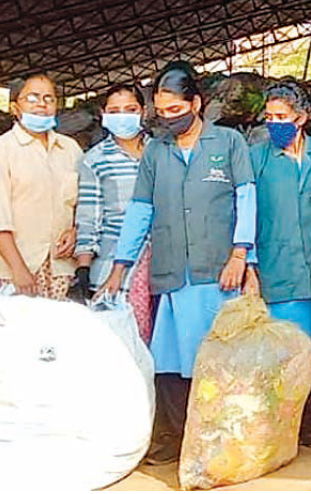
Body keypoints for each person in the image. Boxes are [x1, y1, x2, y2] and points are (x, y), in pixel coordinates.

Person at [101, 61, 257, 465]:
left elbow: (246, 199)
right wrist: (121, 265)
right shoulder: (157, 151)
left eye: (176, 110)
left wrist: (241, 254)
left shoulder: (228, 143)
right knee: (169, 362)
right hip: (173, 270)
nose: (169, 119)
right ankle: (181, 437)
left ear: (197, 102)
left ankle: (219, 441)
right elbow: (140, 209)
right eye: (162, 112)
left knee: (216, 362)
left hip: (217, 271)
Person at [245, 78, 311, 450]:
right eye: (269, 117)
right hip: (275, 264)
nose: (274, 123)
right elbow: (244, 212)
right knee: (275, 352)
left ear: (302, 117)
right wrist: (249, 264)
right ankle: (273, 427)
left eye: (282, 116)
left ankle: (305, 425)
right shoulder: (257, 157)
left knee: (310, 350)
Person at [74, 84, 153, 342]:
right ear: (103, 114)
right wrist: (83, 271)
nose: (123, 116)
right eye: (114, 110)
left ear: (144, 111)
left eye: (130, 109)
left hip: (163, 264)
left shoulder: (162, 151)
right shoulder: (95, 159)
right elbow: (89, 218)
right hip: (115, 269)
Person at [0, 73, 82, 300]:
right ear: (15, 107)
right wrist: (18, 269)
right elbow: (1, 219)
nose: (42, 105)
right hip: (15, 270)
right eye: (32, 98)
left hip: (61, 269)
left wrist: (75, 231)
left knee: (57, 334)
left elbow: (84, 204)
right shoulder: (4, 150)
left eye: (49, 98)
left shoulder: (71, 149)